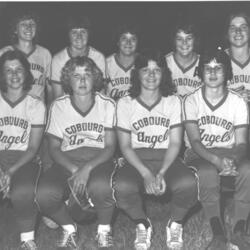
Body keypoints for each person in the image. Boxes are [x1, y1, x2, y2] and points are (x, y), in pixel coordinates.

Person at [114, 49, 197, 250]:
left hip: (165, 156)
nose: (151, 75)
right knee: (121, 187)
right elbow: (125, 145)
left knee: (189, 184)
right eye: (145, 70)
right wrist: (145, 174)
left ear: (164, 74)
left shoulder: (173, 101)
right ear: (137, 74)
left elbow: (176, 143)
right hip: (136, 158)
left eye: (157, 70)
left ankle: (175, 223)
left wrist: (160, 173)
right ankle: (142, 224)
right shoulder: (125, 102)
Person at [36, 56, 116, 249]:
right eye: (76, 75)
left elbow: (110, 147)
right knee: (43, 194)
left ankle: (104, 231)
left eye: (87, 75)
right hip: (67, 160)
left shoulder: (107, 104)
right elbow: (53, 148)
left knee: (102, 186)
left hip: (98, 160)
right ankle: (69, 228)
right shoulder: (58, 106)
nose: (82, 81)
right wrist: (74, 170)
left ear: (95, 78)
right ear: (67, 79)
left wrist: (86, 169)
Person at [183, 47, 250, 250]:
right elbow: (195, 142)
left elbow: (241, 143)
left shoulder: (238, 102)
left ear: (227, 71)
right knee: (207, 172)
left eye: (218, 68)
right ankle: (218, 233)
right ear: (200, 72)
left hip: (229, 151)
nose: (212, 73)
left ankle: (239, 230)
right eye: (207, 68)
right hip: (198, 153)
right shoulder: (191, 100)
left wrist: (233, 160)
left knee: (248, 170)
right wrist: (216, 161)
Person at [0, 50, 46, 250]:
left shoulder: (35, 104)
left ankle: (27, 239)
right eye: (8, 70)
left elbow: (33, 147)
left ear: (27, 73)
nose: (14, 74)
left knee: (22, 190)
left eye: (19, 69)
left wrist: (10, 172)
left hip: (25, 159)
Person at [0, 10, 52, 104]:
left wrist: (49, 110)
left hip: (37, 111)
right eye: (23, 24)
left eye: (32, 24)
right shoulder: (4, 52)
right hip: (11, 111)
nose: (29, 27)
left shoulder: (45, 54)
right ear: (15, 30)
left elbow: (50, 88)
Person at [51, 15, 106, 99]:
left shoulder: (98, 57)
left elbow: (101, 93)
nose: (79, 36)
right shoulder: (58, 59)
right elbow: (58, 96)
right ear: (68, 35)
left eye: (83, 32)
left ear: (89, 34)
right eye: (74, 32)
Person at [165, 21, 202, 97]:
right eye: (179, 39)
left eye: (189, 38)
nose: (184, 43)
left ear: (195, 40)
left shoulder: (204, 63)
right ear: (174, 40)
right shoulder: (165, 63)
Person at [105, 24, 138, 101]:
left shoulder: (144, 64)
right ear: (118, 42)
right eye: (124, 38)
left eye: (133, 39)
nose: (128, 42)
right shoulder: (106, 64)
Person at [225, 12, 250, 102]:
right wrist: (232, 96)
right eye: (232, 28)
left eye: (243, 27)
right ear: (227, 33)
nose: (238, 31)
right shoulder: (218, 60)